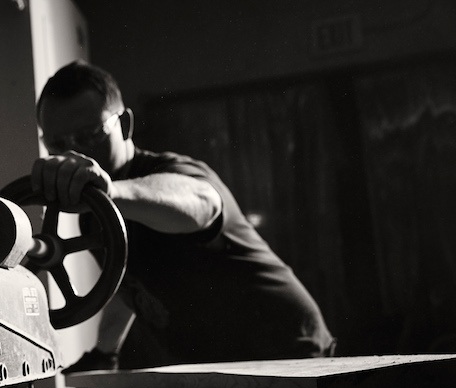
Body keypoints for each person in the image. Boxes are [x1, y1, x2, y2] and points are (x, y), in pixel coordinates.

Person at [32, 61, 335, 370]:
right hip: (216, 369)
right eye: (57, 144)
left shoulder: (171, 172)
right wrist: (104, 353)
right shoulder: (93, 218)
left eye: (88, 136)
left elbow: (202, 203)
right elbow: (128, 284)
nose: (73, 154)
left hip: (289, 352)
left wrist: (111, 192)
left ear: (124, 125)